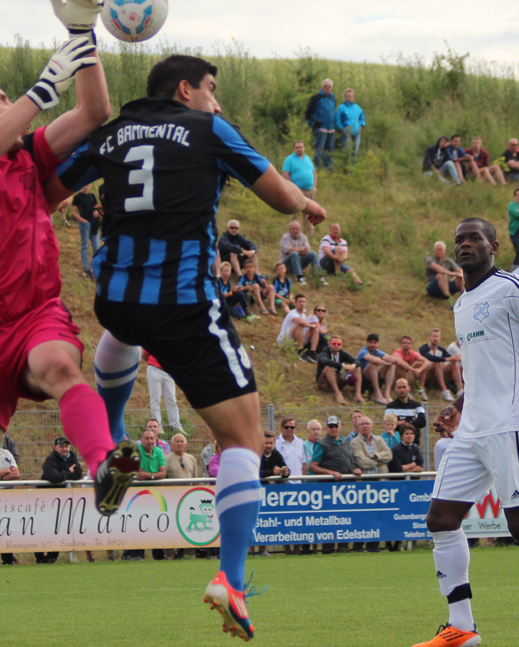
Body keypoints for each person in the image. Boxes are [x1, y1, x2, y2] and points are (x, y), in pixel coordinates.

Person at [57, 47, 328, 637]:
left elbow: (48, 185)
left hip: (115, 295)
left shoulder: (113, 132)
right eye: (211, 88)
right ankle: (231, 579)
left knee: (122, 333)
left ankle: (113, 441)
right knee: (243, 440)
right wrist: (304, 201)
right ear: (185, 90)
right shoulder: (207, 130)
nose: (217, 102)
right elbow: (279, 195)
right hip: (183, 306)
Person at [0, 0, 140, 647]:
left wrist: (82, 36)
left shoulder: (25, 157)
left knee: (61, 366)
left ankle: (104, 464)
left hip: (36, 315)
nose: (10, 102)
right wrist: (43, 87)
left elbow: (94, 111)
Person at [413, 216, 519, 647]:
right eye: (459, 239)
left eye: (474, 238)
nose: (465, 244)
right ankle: (462, 627)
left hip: (512, 424)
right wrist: (457, 406)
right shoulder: (461, 303)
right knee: (440, 519)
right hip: (471, 430)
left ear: (493, 246)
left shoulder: (512, 287)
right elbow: (479, 371)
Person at [420, 328, 463, 402]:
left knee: (453, 363)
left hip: (439, 374)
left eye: (437, 336)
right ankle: (444, 390)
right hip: (427, 375)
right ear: (429, 337)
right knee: (437, 363)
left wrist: (455, 358)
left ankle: (460, 390)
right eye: (433, 336)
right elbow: (431, 357)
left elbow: (449, 356)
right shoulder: (423, 348)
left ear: (440, 338)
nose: (435, 339)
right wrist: (446, 359)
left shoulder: (441, 349)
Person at [143, 350, 182, 433]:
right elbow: (144, 355)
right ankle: (157, 427)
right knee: (155, 399)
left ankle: (176, 425)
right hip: (154, 369)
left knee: (171, 400)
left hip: (168, 371)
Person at [69, 184, 101, 278]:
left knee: (97, 246)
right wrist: (82, 220)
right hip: (85, 224)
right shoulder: (77, 197)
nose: (86, 187)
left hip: (93, 223)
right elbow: (73, 211)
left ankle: (95, 267)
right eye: (84, 185)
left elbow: (96, 207)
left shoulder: (92, 196)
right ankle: (86, 268)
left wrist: (96, 211)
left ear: (90, 186)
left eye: (87, 185)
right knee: (85, 246)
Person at [281, 141, 317, 221]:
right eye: (297, 147)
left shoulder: (308, 159)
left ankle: (309, 229)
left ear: (304, 148)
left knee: (310, 212)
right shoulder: (289, 160)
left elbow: (314, 173)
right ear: (294, 149)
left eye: (301, 147)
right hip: (297, 190)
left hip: (310, 190)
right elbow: (286, 175)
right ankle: (295, 228)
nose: (299, 149)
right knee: (296, 212)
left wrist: (314, 187)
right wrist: (291, 188)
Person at [355, 333, 395, 405]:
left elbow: (393, 359)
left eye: (375, 343)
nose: (372, 345)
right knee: (372, 365)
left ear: (378, 344)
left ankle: (387, 393)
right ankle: (377, 394)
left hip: (374, 380)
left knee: (392, 366)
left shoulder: (377, 352)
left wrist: (389, 361)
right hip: (363, 382)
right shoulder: (363, 351)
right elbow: (373, 359)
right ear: (367, 343)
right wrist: (386, 362)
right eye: (370, 342)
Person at [277, 294, 320, 361]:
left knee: (315, 329)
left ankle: (312, 352)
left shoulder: (303, 315)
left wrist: (312, 327)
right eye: (300, 302)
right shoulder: (292, 313)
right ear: (295, 303)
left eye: (303, 302)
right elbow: (300, 322)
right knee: (299, 325)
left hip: (294, 340)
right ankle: (300, 351)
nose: (302, 303)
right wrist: (310, 325)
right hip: (284, 340)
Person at [305, 78, 336, 171]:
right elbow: (308, 112)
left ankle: (328, 168)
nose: (327, 88)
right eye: (325, 86)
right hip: (320, 128)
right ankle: (316, 168)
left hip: (331, 128)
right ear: (322, 87)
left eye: (329, 86)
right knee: (319, 150)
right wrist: (312, 124)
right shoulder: (316, 98)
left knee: (329, 150)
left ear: (331, 87)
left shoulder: (332, 98)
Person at [392, 335, 431, 400]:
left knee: (421, 364)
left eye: (408, 343)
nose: (406, 344)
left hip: (409, 375)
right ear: (401, 344)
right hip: (397, 377)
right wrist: (412, 369)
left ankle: (421, 389)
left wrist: (419, 369)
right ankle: (404, 390)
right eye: (404, 343)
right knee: (400, 366)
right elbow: (400, 362)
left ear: (411, 345)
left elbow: (427, 361)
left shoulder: (412, 353)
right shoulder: (397, 352)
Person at [279, 220, 316, 284]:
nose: (295, 230)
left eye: (297, 229)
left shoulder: (303, 237)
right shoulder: (285, 237)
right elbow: (288, 251)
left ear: (299, 230)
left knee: (313, 254)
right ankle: (299, 277)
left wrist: (293, 248)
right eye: (293, 229)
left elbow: (307, 251)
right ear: (290, 229)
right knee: (294, 254)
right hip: (287, 264)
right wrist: (300, 249)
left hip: (300, 262)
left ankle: (318, 275)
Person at [335, 88, 365, 161]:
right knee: (347, 152)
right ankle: (346, 166)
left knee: (355, 152)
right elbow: (337, 119)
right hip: (346, 132)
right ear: (345, 97)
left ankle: (354, 166)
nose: (349, 98)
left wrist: (361, 127)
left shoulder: (357, 108)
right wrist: (342, 129)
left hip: (356, 132)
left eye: (351, 96)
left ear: (353, 97)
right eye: (347, 96)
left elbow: (362, 118)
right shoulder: (341, 108)